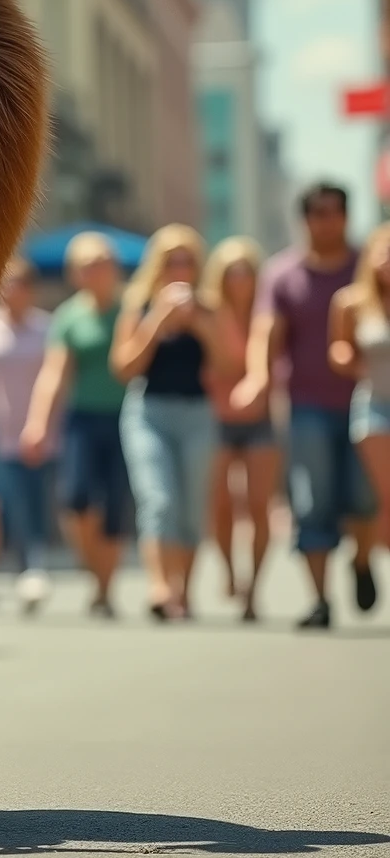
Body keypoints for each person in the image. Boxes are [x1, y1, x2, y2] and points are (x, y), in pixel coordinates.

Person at [234, 183, 377, 629]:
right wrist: (257, 376)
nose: (325, 220)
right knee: (311, 500)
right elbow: (265, 333)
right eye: (317, 212)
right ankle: (320, 599)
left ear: (347, 217)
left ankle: (360, 561)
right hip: (306, 406)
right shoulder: (282, 274)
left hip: (367, 403)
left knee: (365, 498)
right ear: (305, 219)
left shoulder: (367, 270)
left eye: (334, 211)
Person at [111, 225, 239, 620]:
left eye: (187, 260)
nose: (180, 268)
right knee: (158, 498)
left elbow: (230, 367)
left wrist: (200, 325)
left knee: (191, 507)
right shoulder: (139, 306)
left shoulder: (212, 308)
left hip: (198, 414)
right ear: (158, 266)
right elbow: (125, 368)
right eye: (171, 261)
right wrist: (158, 320)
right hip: (149, 412)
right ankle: (160, 586)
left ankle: (184, 591)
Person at [21, 233, 129, 617]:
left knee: (115, 503)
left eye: (102, 262)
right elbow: (55, 374)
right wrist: (37, 423)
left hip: (126, 419)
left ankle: (105, 587)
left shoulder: (131, 310)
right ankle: (91, 567)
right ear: (75, 274)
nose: (96, 271)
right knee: (76, 498)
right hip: (83, 419)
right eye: (87, 265)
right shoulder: (69, 316)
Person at [201, 236, 278, 621]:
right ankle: (230, 572)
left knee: (260, 505)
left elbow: (262, 362)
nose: (240, 277)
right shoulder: (209, 312)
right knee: (221, 504)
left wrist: (257, 383)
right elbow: (223, 365)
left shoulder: (267, 315)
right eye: (232, 270)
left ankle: (254, 589)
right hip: (216, 419)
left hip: (260, 419)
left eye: (247, 269)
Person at [0, 256, 56, 613]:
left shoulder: (46, 329)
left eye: (22, 283)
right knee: (7, 508)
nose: (16, 291)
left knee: (34, 502)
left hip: (41, 434)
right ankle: (19, 567)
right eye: (9, 283)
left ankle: (33, 566)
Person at [328, 221, 390, 555]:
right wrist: (353, 363)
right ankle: (366, 559)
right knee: (385, 496)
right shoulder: (351, 302)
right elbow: (339, 348)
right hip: (376, 405)